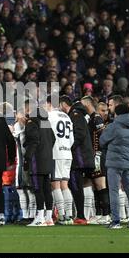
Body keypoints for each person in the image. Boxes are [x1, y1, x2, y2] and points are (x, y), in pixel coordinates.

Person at [99, 104, 129, 229]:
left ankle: (116, 221)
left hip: (114, 163)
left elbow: (102, 140)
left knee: (114, 191)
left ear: (117, 113)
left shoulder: (114, 126)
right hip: (128, 161)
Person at [60, 96, 94, 225]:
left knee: (76, 186)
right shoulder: (80, 113)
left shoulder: (75, 114)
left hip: (79, 158)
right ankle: (84, 214)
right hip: (84, 156)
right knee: (83, 185)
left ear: (63, 104)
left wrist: (69, 147)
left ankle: (81, 216)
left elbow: (79, 134)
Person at [22, 100, 54, 227]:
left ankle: (40, 218)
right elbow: (53, 139)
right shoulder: (45, 121)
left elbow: (33, 141)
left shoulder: (32, 122)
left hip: (36, 160)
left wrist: (27, 157)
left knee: (38, 189)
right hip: (47, 159)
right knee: (47, 189)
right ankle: (49, 218)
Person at [80, 96, 111, 224]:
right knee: (96, 186)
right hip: (94, 155)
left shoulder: (96, 117)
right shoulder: (92, 118)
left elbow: (103, 135)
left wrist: (99, 152)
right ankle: (99, 214)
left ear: (87, 103)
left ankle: (106, 215)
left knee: (101, 185)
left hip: (98, 155)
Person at [46, 96, 74, 225]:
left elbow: (46, 137)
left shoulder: (49, 116)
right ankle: (69, 215)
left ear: (49, 104)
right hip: (67, 153)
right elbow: (72, 139)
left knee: (55, 184)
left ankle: (62, 216)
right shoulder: (67, 117)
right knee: (65, 184)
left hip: (56, 153)